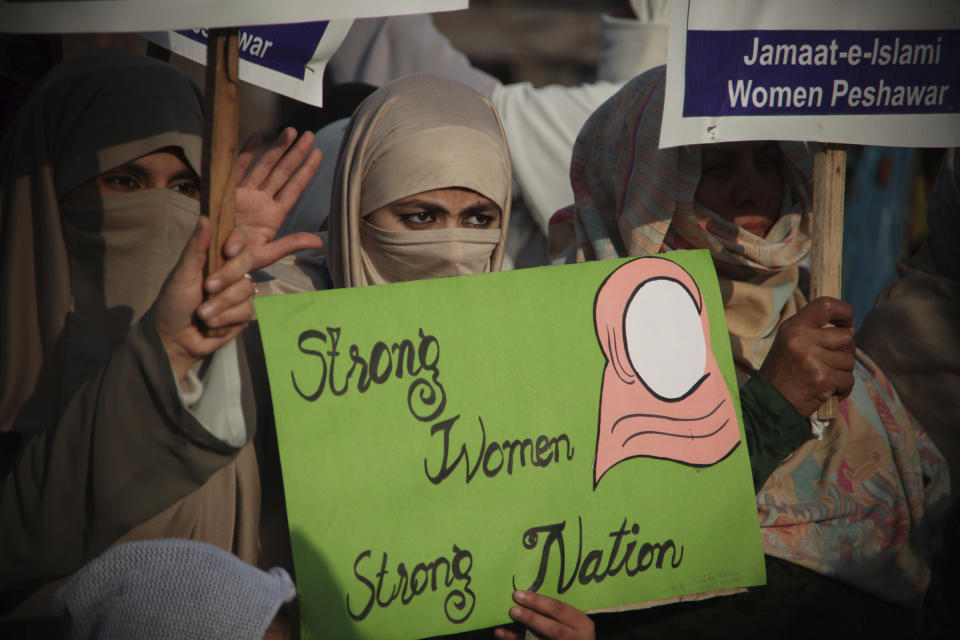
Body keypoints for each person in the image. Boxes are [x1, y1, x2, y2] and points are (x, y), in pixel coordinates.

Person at [529, 65, 951, 638]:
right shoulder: (582, 351)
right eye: (717, 166)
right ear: (648, 180)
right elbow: (621, 537)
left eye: (769, 161)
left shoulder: (830, 342)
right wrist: (776, 400)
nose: (751, 187)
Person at [0, 51, 322, 623]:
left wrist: (225, 270)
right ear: (51, 187)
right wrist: (165, 350)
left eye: (184, 186)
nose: (160, 209)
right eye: (123, 181)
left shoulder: (243, 325)